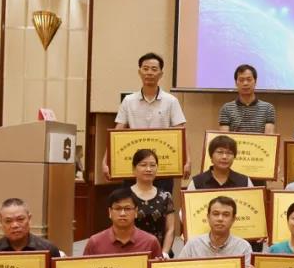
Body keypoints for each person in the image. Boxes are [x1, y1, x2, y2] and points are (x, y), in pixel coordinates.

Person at [101, 52, 189, 187]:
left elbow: (182, 133)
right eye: (145, 68)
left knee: (162, 200)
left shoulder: (171, 101)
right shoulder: (128, 101)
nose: (149, 73)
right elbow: (116, 133)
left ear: (161, 74)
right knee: (132, 200)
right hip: (134, 166)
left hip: (163, 167)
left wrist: (187, 160)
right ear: (139, 72)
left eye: (154, 69)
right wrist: (106, 160)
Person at [129, 149, 176, 256]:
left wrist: (164, 253)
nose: (148, 169)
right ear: (134, 169)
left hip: (160, 254)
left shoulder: (165, 196)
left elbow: (170, 229)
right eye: (143, 165)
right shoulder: (126, 196)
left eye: (153, 165)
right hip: (132, 253)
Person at [218, 64, 276, 134]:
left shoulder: (268, 108)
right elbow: (224, 137)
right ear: (236, 83)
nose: (245, 83)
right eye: (241, 80)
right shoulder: (227, 108)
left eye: (249, 79)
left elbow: (269, 137)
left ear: (255, 82)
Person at [187, 135, 253, 190]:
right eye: (220, 152)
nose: (224, 157)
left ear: (234, 157)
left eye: (229, 153)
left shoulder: (245, 182)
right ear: (211, 156)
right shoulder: (197, 182)